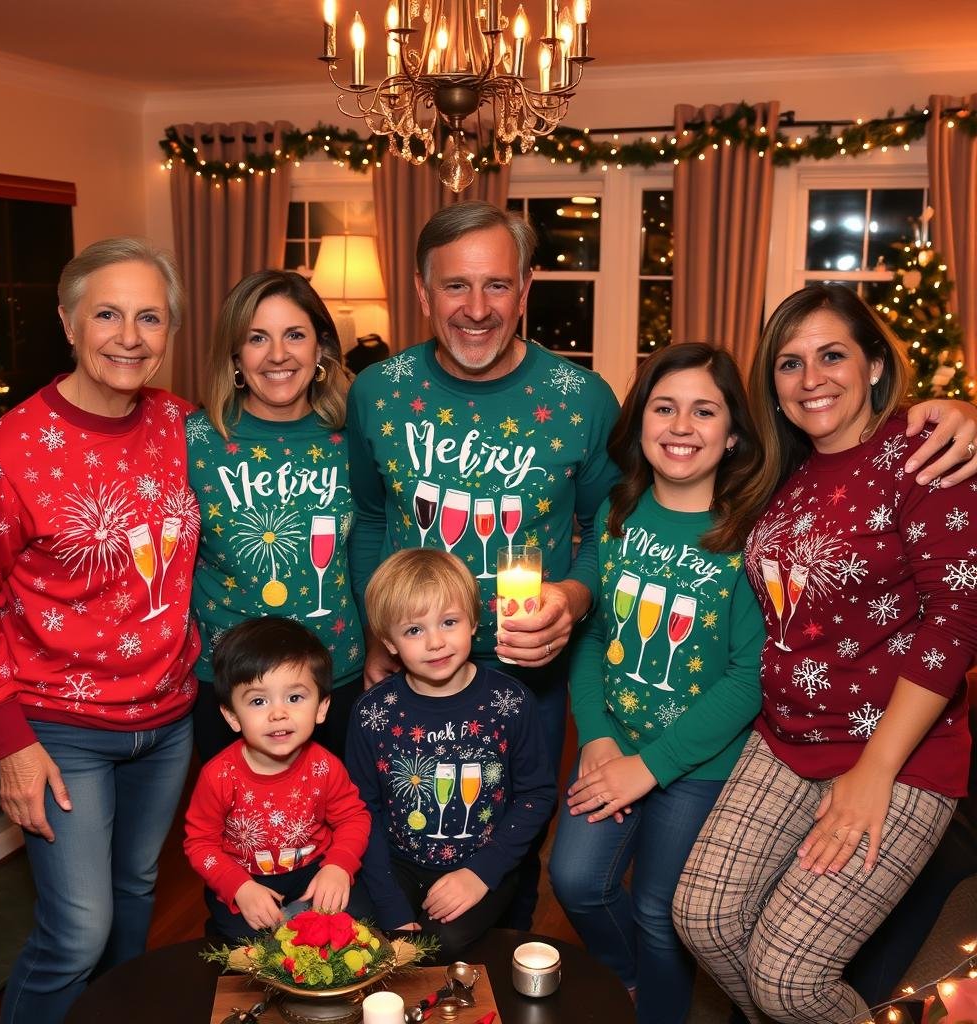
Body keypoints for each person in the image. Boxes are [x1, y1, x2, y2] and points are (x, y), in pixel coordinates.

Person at [673, 284, 977, 1024]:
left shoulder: (925, 455)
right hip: (785, 738)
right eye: (789, 363)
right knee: (703, 917)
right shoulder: (784, 470)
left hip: (900, 752)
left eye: (832, 355)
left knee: (788, 977)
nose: (811, 379)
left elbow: (957, 621)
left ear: (874, 363)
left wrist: (874, 770)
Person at [346, 200, 621, 926]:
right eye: (455, 287)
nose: (476, 309)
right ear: (422, 292)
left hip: (529, 673)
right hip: (411, 671)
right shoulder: (377, 392)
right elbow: (370, 517)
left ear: (526, 289)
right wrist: (378, 636)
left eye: (497, 285)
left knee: (508, 859)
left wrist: (574, 594)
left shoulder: (583, 400)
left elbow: (609, 527)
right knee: (397, 841)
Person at [0, 238, 201, 1024]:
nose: (129, 336)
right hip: (62, 729)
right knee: (77, 932)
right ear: (68, 322)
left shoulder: (178, 424)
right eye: (107, 314)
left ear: (169, 332)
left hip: (167, 720)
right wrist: (10, 741)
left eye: (150, 317)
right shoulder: (4, 454)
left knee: (135, 896)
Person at [548, 343, 766, 1023]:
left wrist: (654, 767)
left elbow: (750, 675)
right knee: (576, 880)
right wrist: (598, 739)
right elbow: (591, 637)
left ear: (731, 436)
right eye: (664, 407)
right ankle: (631, 985)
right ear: (640, 422)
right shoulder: (618, 514)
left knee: (659, 910)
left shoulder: (748, 535)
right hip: (617, 744)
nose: (681, 426)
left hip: (698, 764)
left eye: (704, 411)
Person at [187, 270, 364, 764]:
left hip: (335, 685)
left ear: (321, 349)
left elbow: (373, 549)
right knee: (239, 838)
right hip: (229, 692)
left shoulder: (356, 438)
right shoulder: (193, 440)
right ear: (235, 356)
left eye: (295, 335)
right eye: (257, 338)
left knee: (341, 832)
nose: (278, 355)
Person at [344, 549, 556, 956]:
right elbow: (360, 808)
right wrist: (389, 903)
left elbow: (538, 795)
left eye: (448, 622)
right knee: (359, 932)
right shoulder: (372, 712)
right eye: (413, 631)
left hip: (482, 860)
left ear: (474, 621)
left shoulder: (509, 702)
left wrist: (481, 873)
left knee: (438, 946)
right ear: (388, 641)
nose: (436, 642)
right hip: (395, 862)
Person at [183, 617, 370, 940]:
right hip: (245, 878)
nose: (278, 714)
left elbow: (353, 819)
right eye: (258, 701)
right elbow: (200, 843)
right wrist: (238, 888)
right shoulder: (218, 776)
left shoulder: (326, 767)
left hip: (314, 871)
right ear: (231, 716)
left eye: (295, 698)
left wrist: (339, 866)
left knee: (359, 924)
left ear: (322, 707)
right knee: (249, 949)